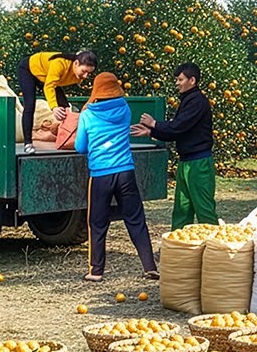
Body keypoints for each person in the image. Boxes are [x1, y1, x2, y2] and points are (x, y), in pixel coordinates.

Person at [75, 73, 158, 282]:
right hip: (125, 172)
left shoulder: (87, 115)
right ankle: (149, 266)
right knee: (136, 218)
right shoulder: (124, 109)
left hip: (101, 175)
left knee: (97, 222)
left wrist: (85, 114)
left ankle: (96, 271)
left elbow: (80, 147)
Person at [130, 62, 216, 230]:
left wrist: (154, 124)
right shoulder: (188, 100)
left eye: (180, 79)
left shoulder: (198, 101)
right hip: (186, 162)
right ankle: (178, 246)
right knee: (182, 209)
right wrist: (150, 132)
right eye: (176, 79)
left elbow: (179, 126)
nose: (177, 83)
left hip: (199, 163)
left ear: (192, 80)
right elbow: (177, 131)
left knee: (204, 209)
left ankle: (215, 249)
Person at [17, 50, 97, 154]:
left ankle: (69, 138)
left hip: (45, 76)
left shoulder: (76, 72)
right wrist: (54, 107)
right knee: (30, 104)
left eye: (89, 73)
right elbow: (49, 86)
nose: (85, 76)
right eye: (84, 71)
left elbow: (56, 86)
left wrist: (64, 107)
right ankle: (28, 143)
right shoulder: (60, 63)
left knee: (66, 106)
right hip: (28, 69)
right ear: (76, 63)